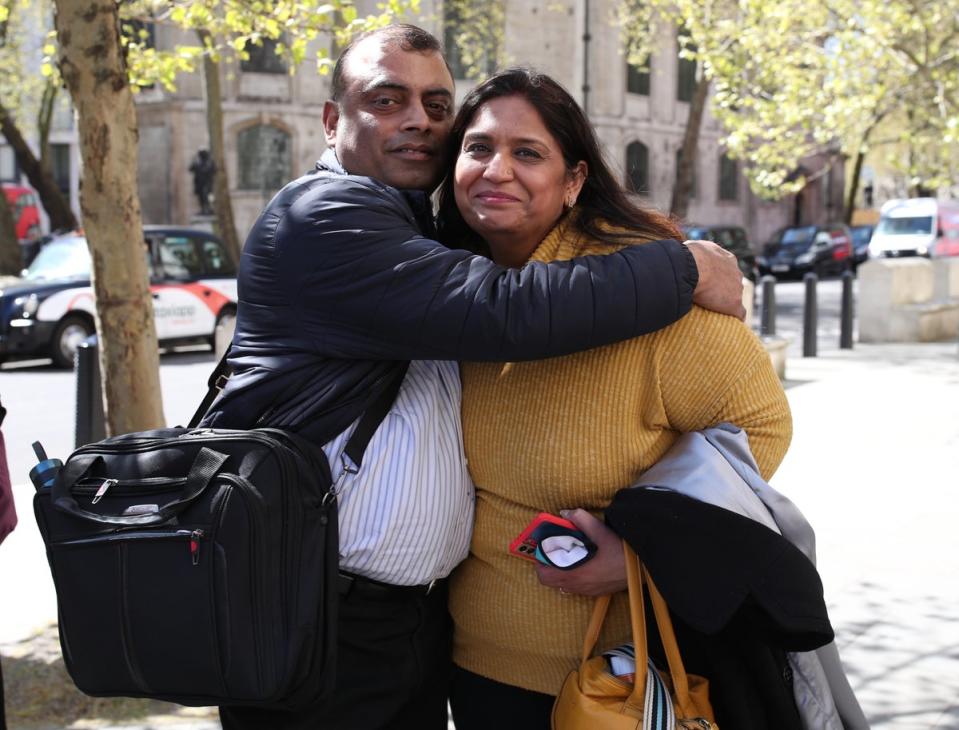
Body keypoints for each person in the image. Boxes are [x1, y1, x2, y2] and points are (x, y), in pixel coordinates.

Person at [203, 24, 746, 730]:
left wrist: (653, 547)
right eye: (387, 99)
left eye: (436, 104)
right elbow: (502, 309)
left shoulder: (415, 231)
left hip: (409, 630)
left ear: (572, 177)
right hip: (318, 622)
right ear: (333, 120)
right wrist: (685, 265)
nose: (418, 121)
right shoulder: (324, 217)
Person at [436, 68, 794, 728]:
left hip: (622, 681)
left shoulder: (650, 296)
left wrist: (643, 555)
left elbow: (759, 429)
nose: (496, 170)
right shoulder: (455, 294)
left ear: (573, 180)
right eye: (478, 147)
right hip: (476, 668)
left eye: (527, 152)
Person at [188, 149, 215, 215]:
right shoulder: (197, 163)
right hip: (199, 184)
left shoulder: (209, 163)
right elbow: (190, 169)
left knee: (207, 196)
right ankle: (203, 209)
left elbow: (214, 170)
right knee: (201, 197)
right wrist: (194, 160)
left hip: (207, 184)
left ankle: (208, 209)